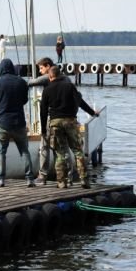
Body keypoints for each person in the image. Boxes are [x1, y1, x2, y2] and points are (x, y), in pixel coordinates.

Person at [29, 57, 96, 185]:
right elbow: (79, 101)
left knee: (58, 152)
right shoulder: (69, 84)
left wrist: (43, 129)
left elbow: (43, 110)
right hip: (70, 120)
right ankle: (82, 179)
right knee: (76, 151)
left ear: (50, 75)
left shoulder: (47, 88)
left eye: (41, 68)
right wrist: (92, 112)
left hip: (54, 122)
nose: (40, 71)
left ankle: (60, 181)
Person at [0, 58, 35, 188]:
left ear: (1, 69)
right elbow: (25, 100)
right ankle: (30, 179)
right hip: (19, 122)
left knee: (1, 151)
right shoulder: (21, 82)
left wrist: (1, 105)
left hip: (2, 123)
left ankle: (0, 179)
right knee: (24, 151)